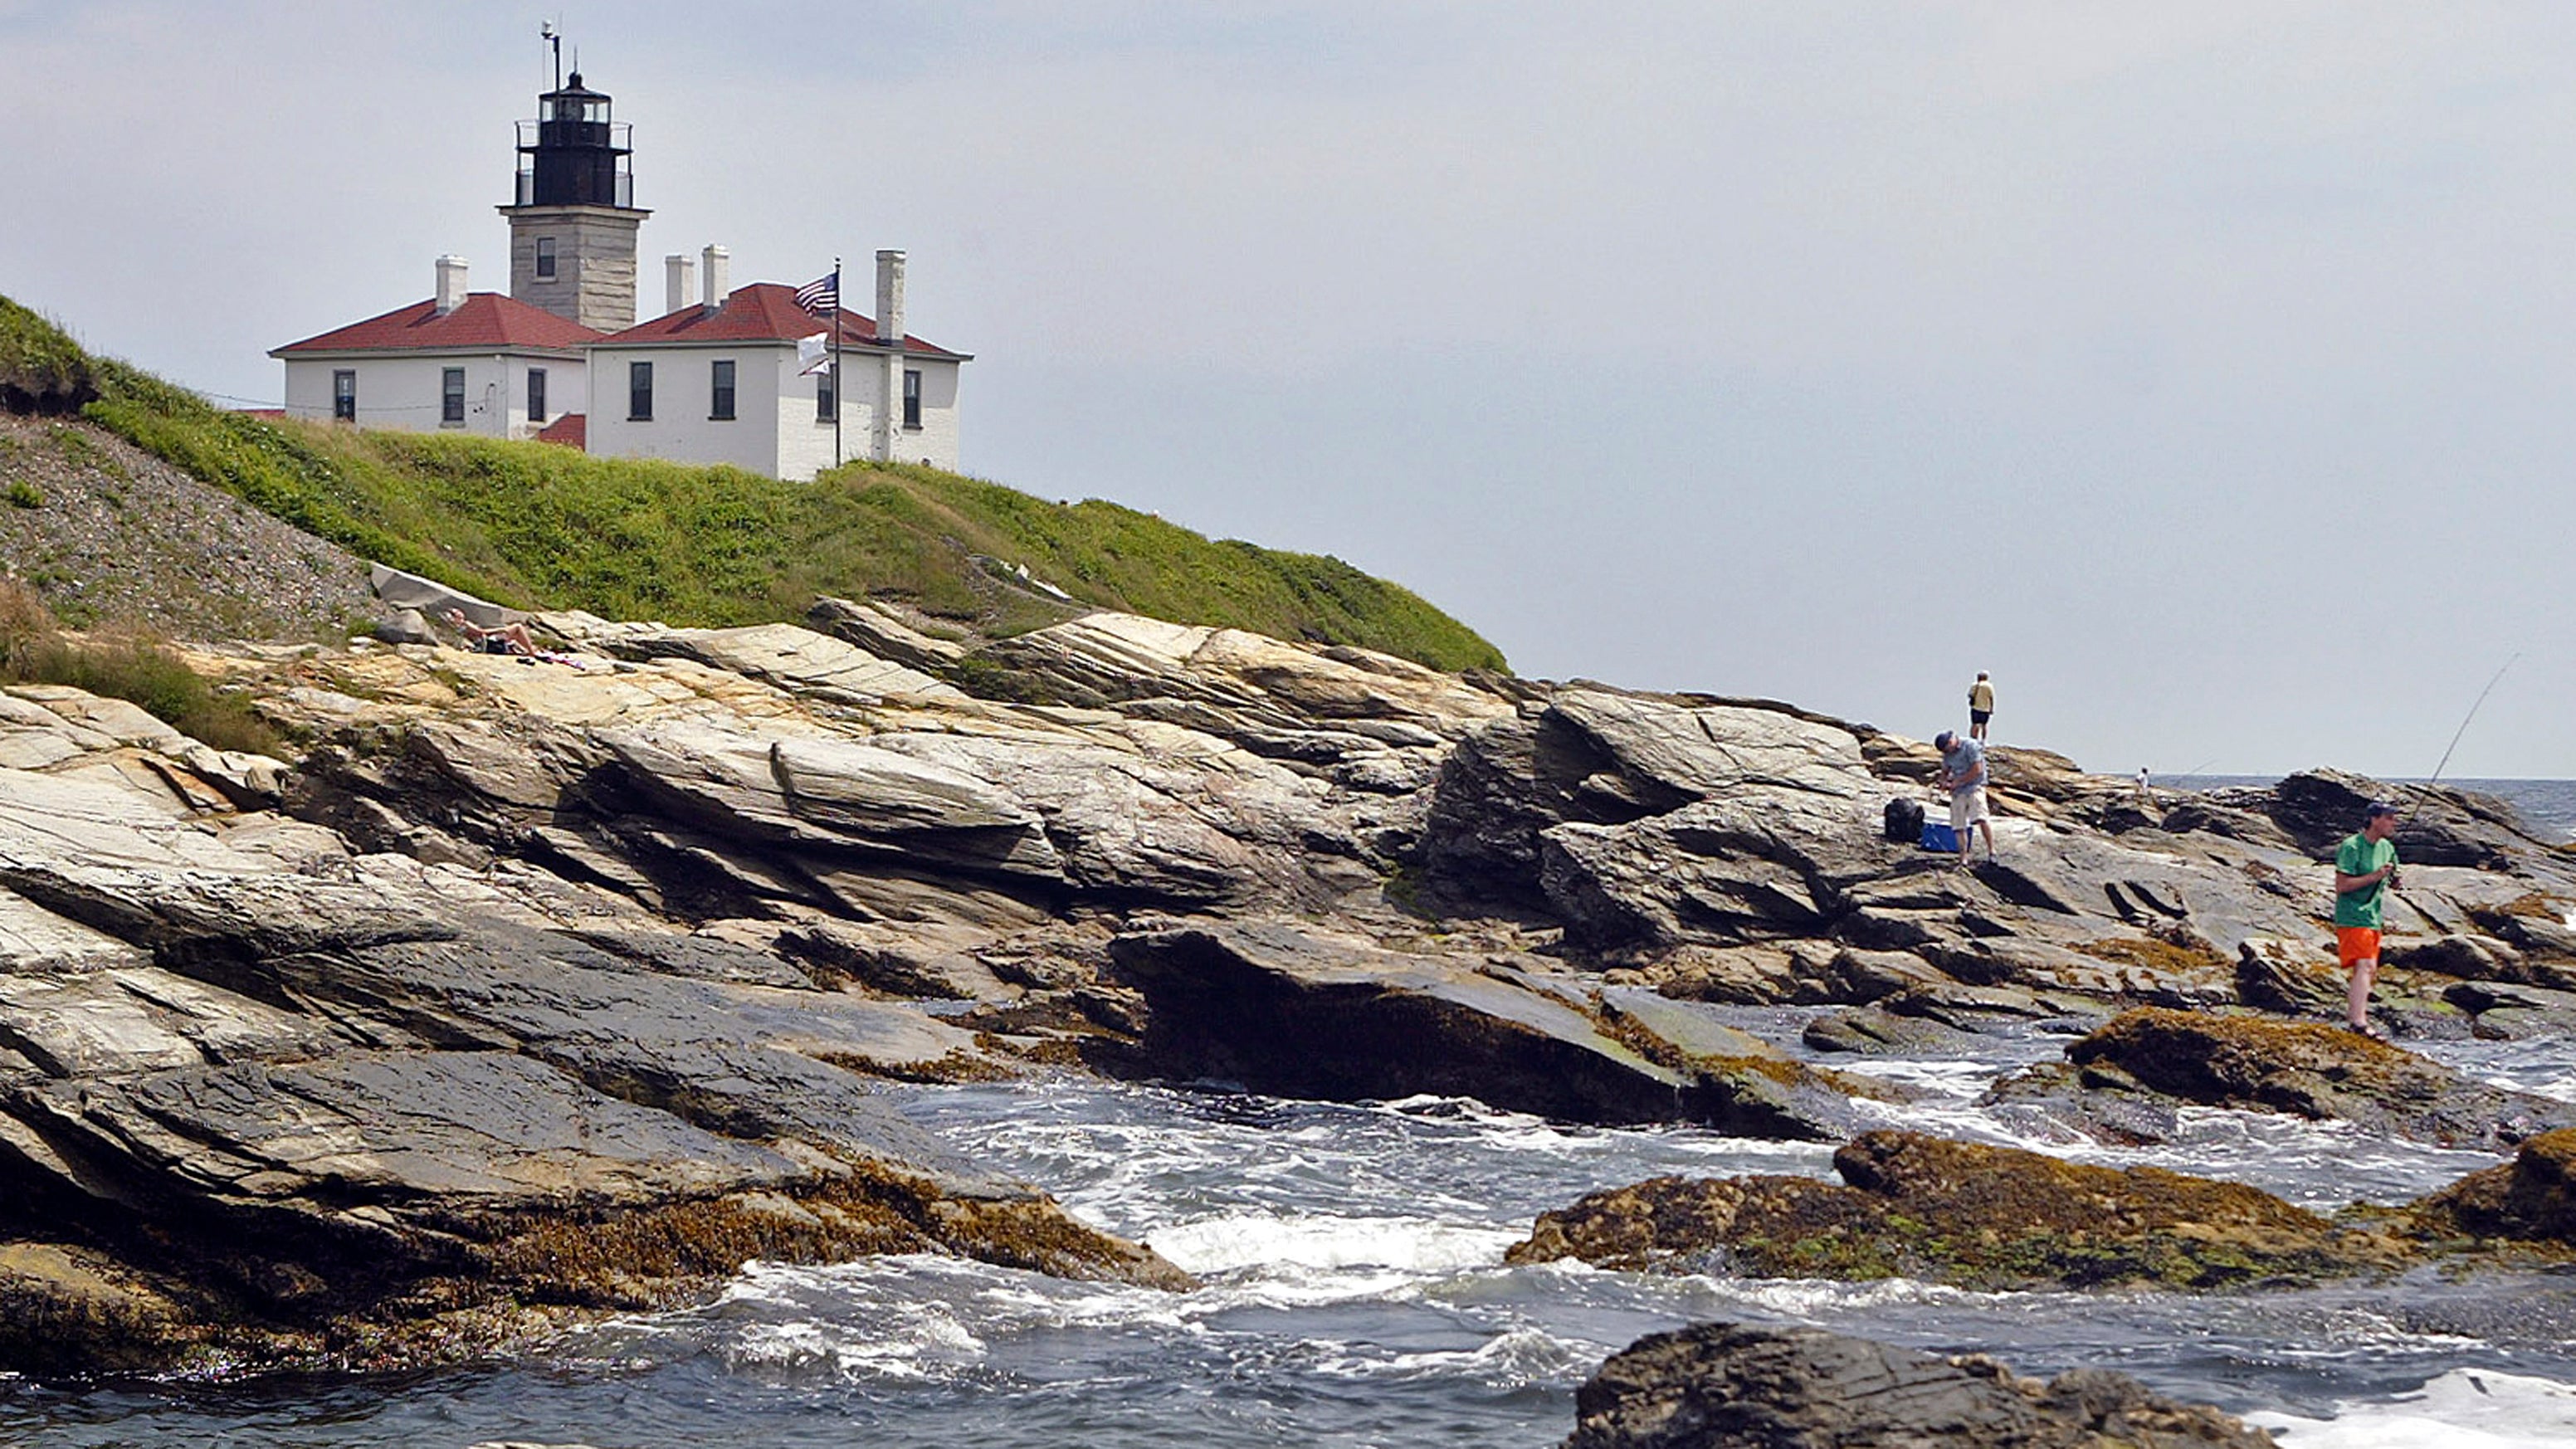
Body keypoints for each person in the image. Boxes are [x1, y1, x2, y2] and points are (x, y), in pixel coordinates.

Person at [2331, 799, 2403, 1040]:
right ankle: (2358, 1023)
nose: (2394, 822)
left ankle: (2356, 1018)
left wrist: (2394, 880)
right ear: (2374, 819)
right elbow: (2342, 886)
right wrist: (2374, 876)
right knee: (2363, 965)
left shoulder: (2388, 848)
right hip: (2352, 914)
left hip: (2373, 916)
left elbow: (2393, 875)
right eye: (2389, 818)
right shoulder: (2351, 847)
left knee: (2369, 968)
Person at [1934, 729, 1995, 866]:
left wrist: (1958, 781)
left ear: (1952, 741)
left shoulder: (1970, 746)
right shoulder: (1947, 754)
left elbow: (1977, 769)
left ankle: (1992, 851)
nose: (1947, 753)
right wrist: (1943, 782)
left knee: (1981, 818)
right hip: (1958, 792)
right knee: (1958, 825)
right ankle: (1963, 858)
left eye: (1947, 749)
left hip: (1975, 786)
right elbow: (1945, 771)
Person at [443, 607, 536, 656]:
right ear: (455, 617)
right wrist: (500, 629)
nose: (460, 612)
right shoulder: (466, 624)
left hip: (484, 644)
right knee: (517, 627)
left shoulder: (458, 628)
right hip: (488, 643)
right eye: (456, 612)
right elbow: (481, 632)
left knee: (516, 634)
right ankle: (531, 652)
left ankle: (530, 650)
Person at [1968, 671, 1995, 741]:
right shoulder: (1989, 686)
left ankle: (1973, 740)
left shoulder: (1975, 685)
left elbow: (1970, 695)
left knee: (1974, 725)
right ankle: (1983, 741)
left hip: (1976, 707)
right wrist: (1991, 708)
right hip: (1986, 708)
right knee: (1984, 725)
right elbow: (1991, 698)